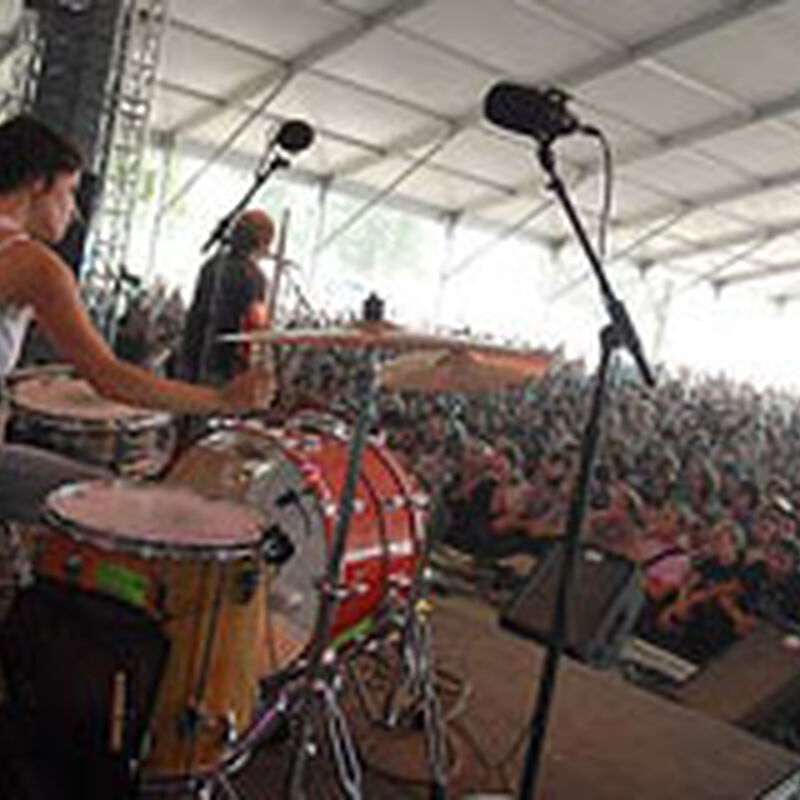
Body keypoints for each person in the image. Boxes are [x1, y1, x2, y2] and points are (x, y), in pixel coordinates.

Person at [0, 114, 273, 521]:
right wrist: (222, 400)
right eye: (70, 191)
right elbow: (109, 380)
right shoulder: (33, 264)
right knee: (108, 505)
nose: (74, 211)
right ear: (38, 183)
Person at [177, 208, 274, 385]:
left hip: (192, 356)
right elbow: (255, 324)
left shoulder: (211, 265)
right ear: (262, 243)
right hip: (224, 364)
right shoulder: (254, 276)